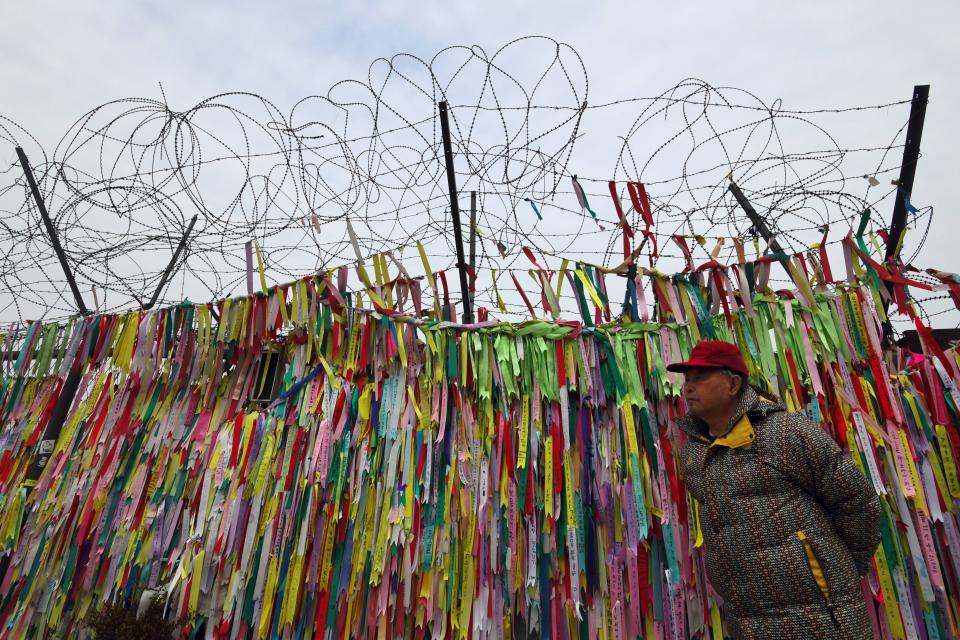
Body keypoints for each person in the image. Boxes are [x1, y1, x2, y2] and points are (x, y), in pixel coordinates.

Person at [667, 340, 881, 640]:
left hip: (820, 618)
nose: (688, 388)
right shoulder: (694, 451)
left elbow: (858, 503)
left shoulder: (786, 432)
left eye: (700, 378)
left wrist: (837, 571)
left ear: (732, 384)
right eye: (686, 380)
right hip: (748, 623)